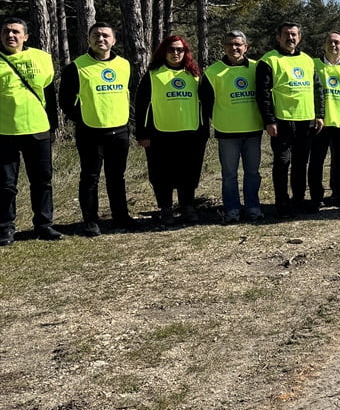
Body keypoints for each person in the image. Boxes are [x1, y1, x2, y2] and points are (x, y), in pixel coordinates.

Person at [60, 22, 132, 236]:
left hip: (119, 130)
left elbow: (126, 94)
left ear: (114, 40)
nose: (100, 39)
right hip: (90, 131)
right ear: (88, 39)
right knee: (90, 177)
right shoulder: (76, 66)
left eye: (105, 35)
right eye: (95, 35)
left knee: (116, 176)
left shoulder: (124, 64)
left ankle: (121, 217)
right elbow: (65, 101)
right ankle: (90, 221)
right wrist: (82, 119)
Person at [135, 35, 207, 225]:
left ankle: (187, 206)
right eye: (171, 49)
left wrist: (204, 130)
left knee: (189, 172)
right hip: (160, 133)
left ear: (186, 52)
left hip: (191, 132)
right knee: (161, 174)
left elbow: (205, 104)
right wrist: (142, 133)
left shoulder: (195, 75)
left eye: (180, 50)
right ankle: (166, 208)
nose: (175, 53)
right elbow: (141, 105)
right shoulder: (153, 75)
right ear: (163, 52)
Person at [0, 17, 60, 244]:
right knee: (5, 184)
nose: (10, 35)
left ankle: (44, 224)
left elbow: (50, 95)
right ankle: (5, 228)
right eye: (6, 31)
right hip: (4, 132)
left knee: (42, 180)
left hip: (38, 129)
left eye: (16, 32)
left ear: (25, 36)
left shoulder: (41, 58)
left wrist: (53, 127)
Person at [256, 22, 324, 218]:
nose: (290, 38)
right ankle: (282, 202)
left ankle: (299, 199)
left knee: (301, 163)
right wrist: (269, 120)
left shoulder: (308, 60)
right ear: (278, 37)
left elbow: (317, 89)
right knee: (282, 163)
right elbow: (263, 94)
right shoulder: (268, 60)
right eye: (286, 34)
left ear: (299, 37)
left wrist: (319, 115)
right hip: (282, 121)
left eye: (294, 34)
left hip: (306, 120)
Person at [200, 30, 264, 224]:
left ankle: (253, 206)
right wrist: (221, 119)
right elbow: (206, 102)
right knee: (229, 175)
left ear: (246, 47)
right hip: (227, 133)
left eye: (238, 44)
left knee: (253, 173)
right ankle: (232, 209)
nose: (234, 48)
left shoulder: (257, 67)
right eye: (229, 44)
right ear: (223, 46)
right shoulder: (212, 72)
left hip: (253, 130)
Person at [310, 31, 340, 209]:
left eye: (337, 43)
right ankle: (316, 197)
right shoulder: (312, 65)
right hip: (319, 123)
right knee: (316, 162)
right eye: (330, 42)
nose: (333, 45)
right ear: (324, 44)